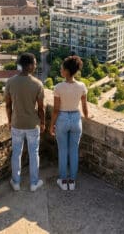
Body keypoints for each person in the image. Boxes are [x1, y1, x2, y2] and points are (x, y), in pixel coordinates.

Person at [4, 52, 45, 192]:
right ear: (28, 66)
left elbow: (8, 105)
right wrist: (43, 123)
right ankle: (34, 183)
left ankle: (16, 182)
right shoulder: (37, 84)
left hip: (16, 123)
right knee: (34, 153)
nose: (35, 65)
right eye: (34, 63)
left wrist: (9, 121)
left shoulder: (10, 82)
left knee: (16, 153)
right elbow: (41, 108)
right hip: (32, 124)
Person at [50, 55, 89, 191]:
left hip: (62, 118)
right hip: (76, 119)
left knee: (63, 151)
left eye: (62, 68)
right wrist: (88, 116)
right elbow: (84, 106)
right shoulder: (82, 86)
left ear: (66, 71)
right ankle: (72, 182)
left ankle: (63, 180)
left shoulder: (58, 87)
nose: (60, 70)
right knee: (73, 151)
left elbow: (55, 110)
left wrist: (51, 125)